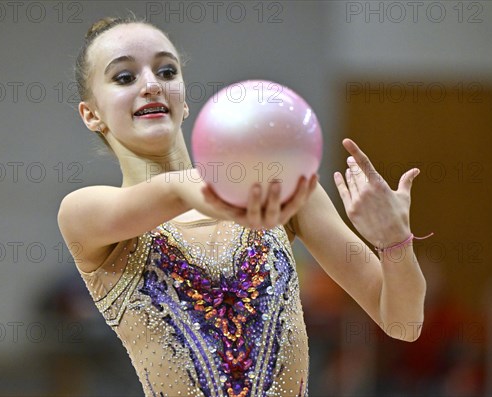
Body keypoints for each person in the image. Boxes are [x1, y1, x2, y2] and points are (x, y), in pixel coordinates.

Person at [58, 15, 428, 397]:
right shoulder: (84, 212)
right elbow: (174, 190)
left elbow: (403, 323)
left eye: (166, 72)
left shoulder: (286, 192)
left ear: (183, 101)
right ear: (91, 114)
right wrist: (230, 184)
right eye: (124, 77)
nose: (151, 85)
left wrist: (395, 242)